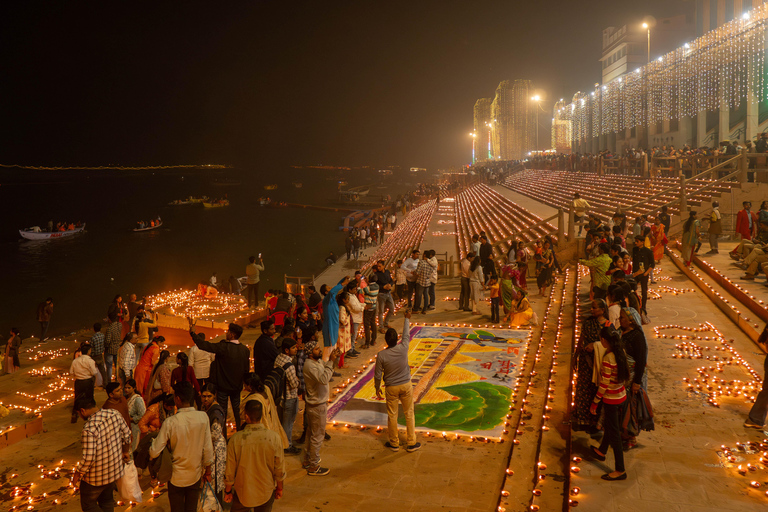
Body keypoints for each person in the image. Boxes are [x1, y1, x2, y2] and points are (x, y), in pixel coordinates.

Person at [150, 381, 214, 512]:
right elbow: (208, 448)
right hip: (195, 474)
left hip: (176, 477)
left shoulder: (171, 422)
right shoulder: (203, 417)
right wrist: (208, 471)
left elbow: (154, 452)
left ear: (177, 399)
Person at [72, 397, 132, 512]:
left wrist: (78, 473)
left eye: (79, 414)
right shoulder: (114, 414)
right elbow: (127, 434)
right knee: (107, 500)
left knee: (88, 505)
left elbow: (89, 458)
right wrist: (125, 451)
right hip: (114, 471)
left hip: (96, 478)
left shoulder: (89, 428)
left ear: (82, 411)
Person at [224, 400, 286, 512]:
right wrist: (280, 488)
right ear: (261, 416)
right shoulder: (274, 438)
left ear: (246, 416)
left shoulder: (235, 439)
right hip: (265, 491)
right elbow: (279, 468)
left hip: (243, 492)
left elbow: (230, 470)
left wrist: (228, 491)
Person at [189, 320, 250, 431]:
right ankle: (239, 432)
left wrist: (193, 334)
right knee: (237, 412)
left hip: (222, 387)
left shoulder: (223, 347)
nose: (226, 333)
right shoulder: (245, 350)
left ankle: (223, 436)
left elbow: (204, 345)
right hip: (236, 387)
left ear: (232, 334)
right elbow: (246, 369)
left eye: (228, 332)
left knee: (222, 413)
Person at [375, 310, 421, 453]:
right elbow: (407, 334)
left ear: (386, 341)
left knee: (392, 415)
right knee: (409, 413)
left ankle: (394, 443)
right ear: (397, 339)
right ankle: (411, 442)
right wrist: (407, 319)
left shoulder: (381, 355)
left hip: (391, 388)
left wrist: (377, 388)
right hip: (406, 385)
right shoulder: (403, 348)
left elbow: (377, 375)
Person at [589, 326, 629, 481]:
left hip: (611, 399)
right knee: (611, 426)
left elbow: (604, 384)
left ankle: (620, 470)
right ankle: (602, 450)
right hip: (621, 396)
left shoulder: (608, 358)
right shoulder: (621, 353)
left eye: (601, 339)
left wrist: (595, 402)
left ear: (604, 340)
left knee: (614, 434)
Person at [302, 342, 339, 476]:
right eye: (317, 349)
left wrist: (332, 360)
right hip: (317, 405)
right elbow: (324, 378)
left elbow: (326, 370)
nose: (319, 350)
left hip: (315, 404)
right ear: (310, 353)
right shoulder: (310, 366)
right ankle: (314, 465)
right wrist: (330, 363)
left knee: (311, 433)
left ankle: (307, 460)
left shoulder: (316, 362)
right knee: (317, 436)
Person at [200, 383, 227, 500]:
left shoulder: (216, 412)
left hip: (216, 448)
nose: (206, 399)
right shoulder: (205, 408)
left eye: (209, 396)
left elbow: (215, 434)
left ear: (214, 396)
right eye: (203, 396)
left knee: (215, 480)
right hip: (208, 446)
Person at [274, 339, 301, 454]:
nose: (296, 349)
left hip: (280, 397)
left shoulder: (278, 359)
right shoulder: (289, 366)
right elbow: (294, 385)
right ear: (286, 350)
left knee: (280, 422)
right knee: (288, 423)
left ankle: (280, 443)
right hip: (289, 398)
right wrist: (298, 381)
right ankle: (287, 445)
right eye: (294, 348)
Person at [70, 344, 99, 423]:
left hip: (78, 382)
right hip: (87, 381)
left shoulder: (75, 361)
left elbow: (71, 372)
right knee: (89, 397)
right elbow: (94, 372)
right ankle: (90, 413)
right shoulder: (90, 361)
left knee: (77, 397)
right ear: (89, 351)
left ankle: (75, 413)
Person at [321, 277, 349, 352]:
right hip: (329, 327)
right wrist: (343, 284)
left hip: (334, 325)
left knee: (334, 347)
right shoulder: (326, 300)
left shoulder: (332, 297)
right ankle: (326, 363)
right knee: (329, 349)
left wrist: (343, 279)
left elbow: (336, 288)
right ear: (326, 292)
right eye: (329, 288)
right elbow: (332, 291)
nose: (331, 288)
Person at [631, 235, 655, 316]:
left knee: (644, 291)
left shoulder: (648, 251)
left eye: (637, 241)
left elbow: (652, 264)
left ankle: (643, 307)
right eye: (635, 241)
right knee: (632, 290)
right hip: (635, 273)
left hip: (644, 274)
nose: (636, 243)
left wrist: (646, 273)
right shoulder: (634, 250)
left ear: (642, 242)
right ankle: (634, 305)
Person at [124, 379, 146, 452]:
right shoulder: (125, 398)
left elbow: (142, 415)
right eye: (125, 388)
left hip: (135, 428)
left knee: (133, 449)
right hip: (126, 427)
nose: (126, 390)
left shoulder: (138, 399)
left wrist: (131, 419)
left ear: (134, 388)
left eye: (129, 388)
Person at [374, 260, 396, 331]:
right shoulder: (376, 275)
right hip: (381, 294)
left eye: (380, 266)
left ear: (384, 266)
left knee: (392, 308)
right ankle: (381, 327)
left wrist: (390, 285)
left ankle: (386, 323)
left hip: (388, 293)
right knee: (381, 311)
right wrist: (383, 287)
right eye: (377, 266)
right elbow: (375, 285)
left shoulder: (387, 272)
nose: (378, 267)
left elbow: (391, 280)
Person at [362, 275, 379, 348]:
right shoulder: (377, 286)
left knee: (366, 325)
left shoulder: (368, 288)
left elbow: (359, 290)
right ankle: (373, 340)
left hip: (368, 308)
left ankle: (367, 343)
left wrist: (360, 282)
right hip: (374, 307)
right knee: (373, 322)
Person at [104, 313, 122, 384]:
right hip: (117, 347)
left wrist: (105, 345)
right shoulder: (119, 325)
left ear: (110, 320)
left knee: (109, 366)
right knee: (117, 365)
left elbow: (108, 340)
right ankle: (117, 379)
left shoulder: (110, 328)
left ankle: (109, 381)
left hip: (110, 349)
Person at [89, 323, 107, 387]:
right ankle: (105, 383)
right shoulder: (103, 336)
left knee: (93, 371)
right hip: (100, 355)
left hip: (94, 356)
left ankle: (92, 385)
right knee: (102, 370)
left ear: (94, 329)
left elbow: (90, 346)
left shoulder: (93, 338)